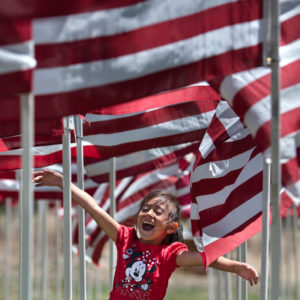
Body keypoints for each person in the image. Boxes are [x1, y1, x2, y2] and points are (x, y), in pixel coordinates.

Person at [33, 169, 259, 300]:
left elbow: (206, 258)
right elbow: (95, 209)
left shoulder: (170, 253)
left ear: (170, 228)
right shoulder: (125, 238)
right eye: (145, 209)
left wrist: (235, 266)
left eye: (157, 212)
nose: (148, 213)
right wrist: (64, 183)